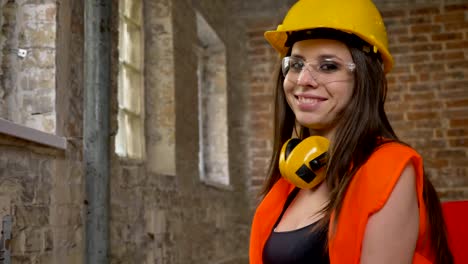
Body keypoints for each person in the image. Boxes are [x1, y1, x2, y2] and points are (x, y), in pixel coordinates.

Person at [249, 0, 454, 263]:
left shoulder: (389, 170)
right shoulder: (291, 181)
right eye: (296, 64)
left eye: (328, 66)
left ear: (366, 78)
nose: (303, 80)